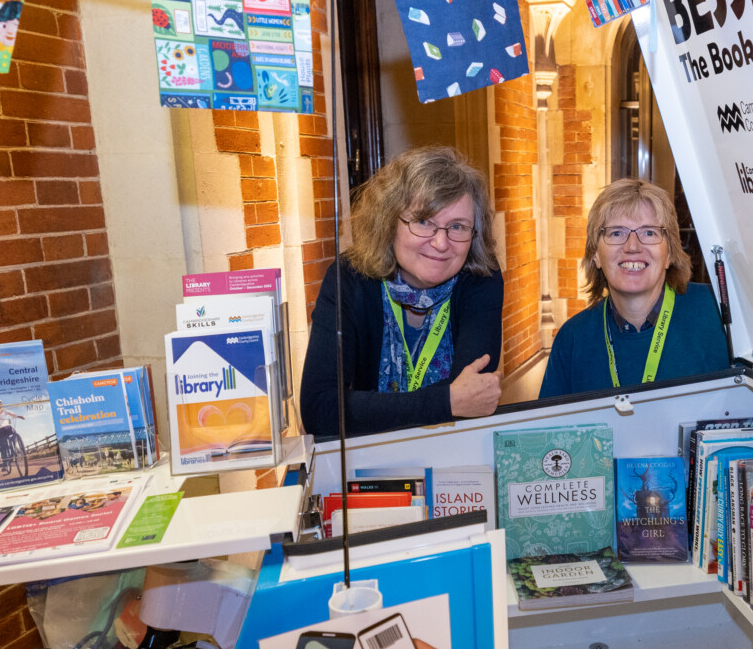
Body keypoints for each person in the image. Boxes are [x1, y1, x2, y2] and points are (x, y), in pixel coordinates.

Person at [300, 146, 504, 437]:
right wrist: (446, 401)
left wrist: (369, 409)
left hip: (454, 450)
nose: (441, 243)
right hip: (370, 457)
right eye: (423, 221)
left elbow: (474, 392)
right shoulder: (349, 278)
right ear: (388, 222)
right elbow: (320, 409)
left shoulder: (480, 277)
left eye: (457, 226)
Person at [538, 178, 730, 399]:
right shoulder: (572, 339)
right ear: (596, 254)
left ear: (670, 253)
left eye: (649, 233)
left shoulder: (720, 313)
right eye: (616, 233)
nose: (632, 247)